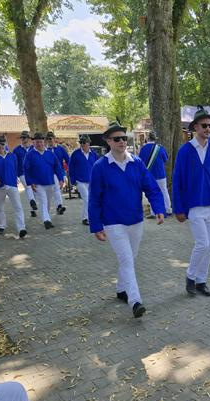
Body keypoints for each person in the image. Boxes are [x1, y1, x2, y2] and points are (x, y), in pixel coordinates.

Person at [89, 121, 165, 318]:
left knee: (130, 258)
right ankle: (135, 301)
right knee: (127, 259)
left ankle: (121, 289)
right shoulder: (100, 167)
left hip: (136, 220)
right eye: (117, 139)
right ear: (108, 141)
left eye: (124, 138)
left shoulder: (136, 163)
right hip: (113, 222)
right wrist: (96, 225)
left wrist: (158, 208)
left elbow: (151, 187)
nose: (122, 142)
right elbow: (94, 198)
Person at [173, 106, 210, 296]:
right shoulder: (185, 151)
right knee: (203, 244)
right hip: (194, 206)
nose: (208, 129)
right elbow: (177, 180)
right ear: (195, 127)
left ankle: (201, 281)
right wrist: (178, 208)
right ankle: (190, 277)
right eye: (205, 125)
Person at [0, 136, 27, 238]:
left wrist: (15, 178)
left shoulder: (12, 156)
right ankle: (1, 225)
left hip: (12, 185)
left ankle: (21, 228)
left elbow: (16, 169)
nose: (0, 146)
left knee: (18, 206)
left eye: (2, 144)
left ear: (5, 144)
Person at [24, 133, 65, 230]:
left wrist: (61, 179)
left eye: (41, 142)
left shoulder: (50, 154)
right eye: (37, 142)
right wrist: (30, 182)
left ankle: (46, 217)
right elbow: (26, 169)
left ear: (44, 142)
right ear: (34, 143)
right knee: (43, 201)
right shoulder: (30, 155)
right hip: (38, 183)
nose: (39, 144)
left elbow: (57, 167)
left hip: (50, 182)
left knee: (48, 202)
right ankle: (46, 220)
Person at [138, 131, 171, 218]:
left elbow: (140, 162)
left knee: (153, 193)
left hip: (149, 175)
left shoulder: (143, 149)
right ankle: (168, 209)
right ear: (155, 138)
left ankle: (154, 212)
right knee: (164, 191)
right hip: (161, 174)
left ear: (147, 139)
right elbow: (165, 159)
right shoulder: (160, 148)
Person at [69, 135, 98, 225]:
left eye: (84, 142)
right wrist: (72, 180)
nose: (82, 144)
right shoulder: (75, 154)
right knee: (87, 199)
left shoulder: (94, 154)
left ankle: (89, 217)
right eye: (80, 142)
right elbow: (71, 167)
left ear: (88, 143)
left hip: (91, 181)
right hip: (80, 181)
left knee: (91, 200)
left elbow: (97, 168)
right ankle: (85, 218)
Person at [13, 130, 38, 218]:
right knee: (28, 187)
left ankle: (32, 209)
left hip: (34, 172)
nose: (24, 139)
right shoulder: (16, 150)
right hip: (22, 172)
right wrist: (15, 175)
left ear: (28, 139)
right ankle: (32, 200)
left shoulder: (34, 148)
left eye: (25, 138)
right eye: (23, 138)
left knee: (34, 189)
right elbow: (14, 163)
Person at [45, 131, 68, 215]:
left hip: (59, 172)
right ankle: (49, 209)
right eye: (47, 139)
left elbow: (68, 159)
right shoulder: (45, 150)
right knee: (52, 191)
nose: (49, 140)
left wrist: (68, 171)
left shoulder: (60, 149)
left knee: (57, 189)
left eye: (50, 138)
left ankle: (59, 206)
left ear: (54, 139)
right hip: (48, 173)